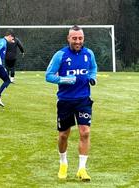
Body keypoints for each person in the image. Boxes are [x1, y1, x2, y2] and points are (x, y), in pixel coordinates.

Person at [45, 25, 97, 181]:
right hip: (65, 101)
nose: (77, 41)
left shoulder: (89, 54)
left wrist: (92, 77)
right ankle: (63, 163)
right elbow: (48, 76)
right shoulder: (60, 55)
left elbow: (93, 68)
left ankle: (82, 169)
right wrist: (66, 79)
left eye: (80, 38)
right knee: (63, 135)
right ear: (68, 38)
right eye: (74, 38)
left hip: (83, 99)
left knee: (85, 132)